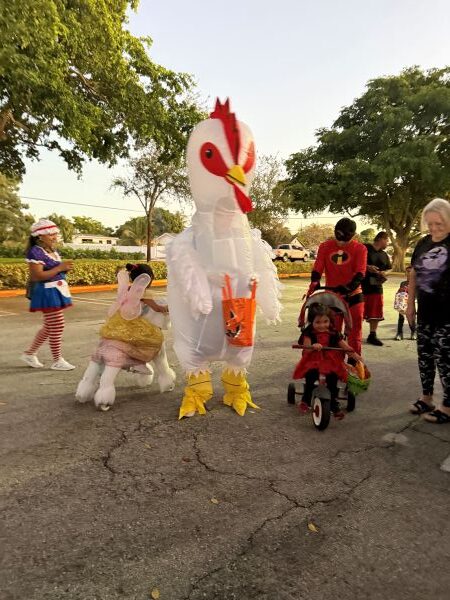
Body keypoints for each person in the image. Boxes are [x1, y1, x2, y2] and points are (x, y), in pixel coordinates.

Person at [406, 198, 450, 423]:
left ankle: (448, 407)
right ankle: (427, 398)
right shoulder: (423, 243)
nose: (434, 228)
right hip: (425, 311)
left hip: (447, 315)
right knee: (425, 356)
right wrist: (409, 305)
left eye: (439, 224)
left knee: (445, 360)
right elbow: (413, 274)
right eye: (430, 224)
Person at [307, 217, 367, 356]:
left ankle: (354, 360)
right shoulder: (325, 246)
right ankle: (333, 360)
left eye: (344, 239)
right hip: (332, 297)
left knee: (355, 331)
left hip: (354, 295)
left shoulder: (360, 249)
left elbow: (360, 272)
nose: (340, 243)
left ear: (353, 235)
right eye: (338, 238)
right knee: (332, 332)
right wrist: (315, 281)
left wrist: (349, 287)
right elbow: (318, 267)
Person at [21, 219, 75, 370]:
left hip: (56, 290)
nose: (54, 237)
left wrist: (63, 269)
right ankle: (57, 360)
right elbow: (37, 276)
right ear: (40, 236)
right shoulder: (35, 252)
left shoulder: (52, 250)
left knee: (49, 326)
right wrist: (60, 268)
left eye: (55, 234)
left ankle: (29, 354)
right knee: (57, 325)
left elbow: (53, 269)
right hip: (46, 292)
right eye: (50, 234)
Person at [293, 303, 361, 416]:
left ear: (330, 321)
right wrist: (313, 346)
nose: (322, 325)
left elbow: (344, 346)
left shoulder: (333, 332)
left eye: (325, 321)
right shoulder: (308, 332)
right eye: (318, 322)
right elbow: (306, 349)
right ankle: (306, 399)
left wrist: (354, 354)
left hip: (330, 361)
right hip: (313, 360)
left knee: (333, 379)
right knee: (310, 377)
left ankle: (333, 402)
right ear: (311, 322)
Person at [362, 231, 392, 346]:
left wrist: (385, 273)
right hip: (361, 285)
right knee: (357, 311)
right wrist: (366, 267)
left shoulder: (384, 254)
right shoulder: (364, 248)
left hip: (376, 286)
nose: (388, 243)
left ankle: (372, 335)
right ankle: (352, 334)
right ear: (381, 239)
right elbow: (353, 261)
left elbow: (389, 268)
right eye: (387, 240)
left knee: (375, 311)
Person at [394, 266, 416, 341]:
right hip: (403, 303)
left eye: (410, 272)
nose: (409, 273)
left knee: (411, 318)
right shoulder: (403, 283)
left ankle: (413, 332)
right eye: (407, 271)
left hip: (411, 303)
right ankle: (399, 333)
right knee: (401, 316)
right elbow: (400, 293)